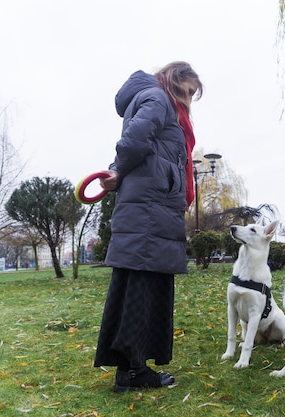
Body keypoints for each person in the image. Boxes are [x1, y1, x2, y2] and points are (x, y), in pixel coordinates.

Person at [93, 62, 203, 392]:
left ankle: (132, 369)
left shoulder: (157, 100)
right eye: (186, 91)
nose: (188, 99)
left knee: (141, 289)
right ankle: (132, 372)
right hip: (150, 210)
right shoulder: (157, 98)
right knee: (140, 289)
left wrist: (119, 171)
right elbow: (133, 141)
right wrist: (118, 170)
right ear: (174, 79)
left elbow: (142, 146)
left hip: (153, 208)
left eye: (193, 95)